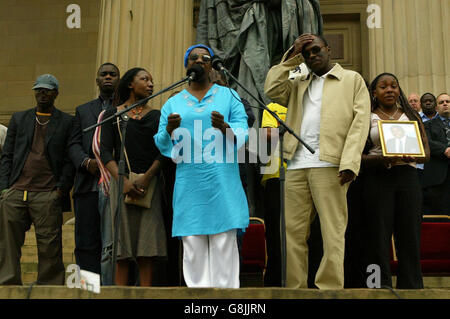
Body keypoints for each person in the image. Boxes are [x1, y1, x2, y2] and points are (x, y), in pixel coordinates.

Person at [264, 34, 371, 289]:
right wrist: (292, 56)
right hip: (296, 165)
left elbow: (360, 123)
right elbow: (271, 89)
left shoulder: (351, 79)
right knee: (292, 233)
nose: (312, 56)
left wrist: (350, 162)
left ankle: (330, 289)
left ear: (328, 49)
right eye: (307, 53)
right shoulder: (299, 80)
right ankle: (295, 290)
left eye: (316, 50)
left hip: (330, 164)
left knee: (332, 232)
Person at [154, 44, 249, 288]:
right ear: (187, 65)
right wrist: (169, 130)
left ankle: (226, 301)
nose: (199, 60)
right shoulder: (173, 103)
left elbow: (243, 130)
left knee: (223, 245)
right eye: (193, 57)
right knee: (193, 247)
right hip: (190, 186)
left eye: (205, 58)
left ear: (211, 66)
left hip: (222, 183)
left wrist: (226, 128)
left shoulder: (229, 96)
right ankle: (198, 301)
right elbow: (162, 145)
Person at [0, 74, 74, 285]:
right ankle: (7, 283)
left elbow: (69, 160)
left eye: (47, 90)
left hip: (47, 192)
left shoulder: (67, 121)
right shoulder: (19, 118)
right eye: (39, 89)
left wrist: (60, 189)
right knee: (7, 242)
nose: (42, 93)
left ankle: (49, 287)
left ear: (56, 93)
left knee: (50, 244)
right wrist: (4, 189)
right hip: (16, 191)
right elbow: (7, 155)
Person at [196, 0, 322, 121]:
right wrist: (204, 62)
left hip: (282, 35)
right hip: (240, 47)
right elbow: (204, 24)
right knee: (246, 103)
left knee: (281, 91)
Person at [360, 73, 430, 289]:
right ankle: (376, 284)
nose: (389, 90)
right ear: (374, 93)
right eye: (383, 87)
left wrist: (414, 155)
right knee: (377, 235)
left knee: (409, 233)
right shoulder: (366, 117)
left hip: (407, 178)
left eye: (393, 86)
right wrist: (380, 159)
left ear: (399, 90)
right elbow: (356, 155)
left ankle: (411, 286)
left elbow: (426, 153)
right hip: (377, 178)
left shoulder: (411, 116)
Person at [100, 67, 167, 286]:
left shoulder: (157, 116)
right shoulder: (114, 114)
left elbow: (164, 150)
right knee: (122, 249)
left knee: (147, 249)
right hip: (122, 184)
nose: (150, 84)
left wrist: (146, 178)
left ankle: (145, 293)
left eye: (151, 80)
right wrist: (123, 181)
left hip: (150, 185)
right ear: (130, 84)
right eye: (144, 79)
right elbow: (105, 151)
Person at [68, 63, 120, 283]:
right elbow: (73, 144)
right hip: (88, 186)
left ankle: (111, 290)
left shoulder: (126, 108)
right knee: (86, 243)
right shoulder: (83, 110)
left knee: (114, 244)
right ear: (97, 80)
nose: (108, 77)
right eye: (103, 74)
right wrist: (85, 161)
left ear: (119, 80)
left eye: (113, 74)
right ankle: (88, 292)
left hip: (116, 186)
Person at [259, 102, 286, 287]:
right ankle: (275, 282)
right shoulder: (273, 106)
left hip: (305, 174)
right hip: (276, 176)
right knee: (276, 234)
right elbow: (266, 133)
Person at [422, 93, 450, 215]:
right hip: (438, 180)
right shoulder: (427, 125)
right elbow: (426, 142)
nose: (445, 104)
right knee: (441, 216)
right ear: (436, 108)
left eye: (448, 101)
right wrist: (445, 149)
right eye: (441, 102)